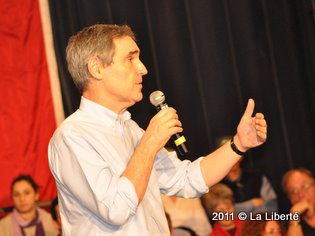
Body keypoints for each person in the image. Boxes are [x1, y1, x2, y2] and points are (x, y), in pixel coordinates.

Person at [48, 24, 267, 235]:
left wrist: (238, 144)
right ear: (96, 68)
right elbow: (115, 208)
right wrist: (150, 142)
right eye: (130, 58)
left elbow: (187, 179)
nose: (143, 68)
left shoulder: (131, 130)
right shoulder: (72, 137)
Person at [219, 136, 278, 214]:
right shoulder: (216, 183)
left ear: (242, 154)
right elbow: (220, 213)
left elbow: (272, 206)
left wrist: (237, 208)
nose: (232, 158)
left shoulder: (257, 176)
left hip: (259, 224)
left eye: (235, 152)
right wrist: (251, 204)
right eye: (227, 154)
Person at [282, 168, 315, 236]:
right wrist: (294, 216)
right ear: (290, 198)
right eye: (293, 191)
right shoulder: (287, 227)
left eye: (304, 186)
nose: (300, 195)